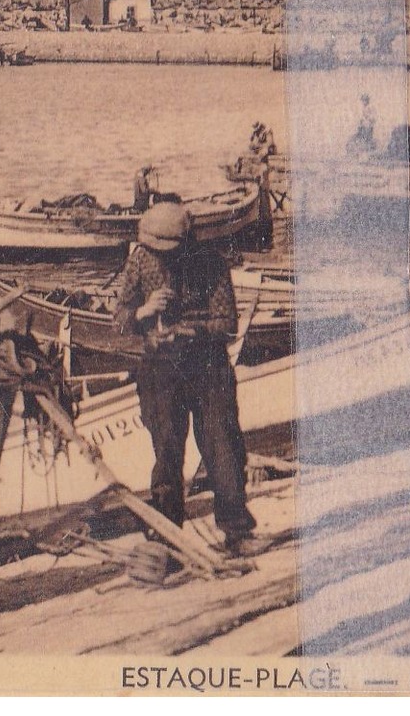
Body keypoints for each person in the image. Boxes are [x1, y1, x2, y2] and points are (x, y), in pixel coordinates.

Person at [112, 202, 264, 556]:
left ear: (186, 239)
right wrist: (144, 311)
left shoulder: (211, 263)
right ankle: (168, 541)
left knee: (223, 449)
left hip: (208, 368)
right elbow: (118, 320)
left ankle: (237, 533)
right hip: (160, 372)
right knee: (166, 455)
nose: (162, 257)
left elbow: (227, 324)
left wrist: (188, 330)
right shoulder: (139, 260)